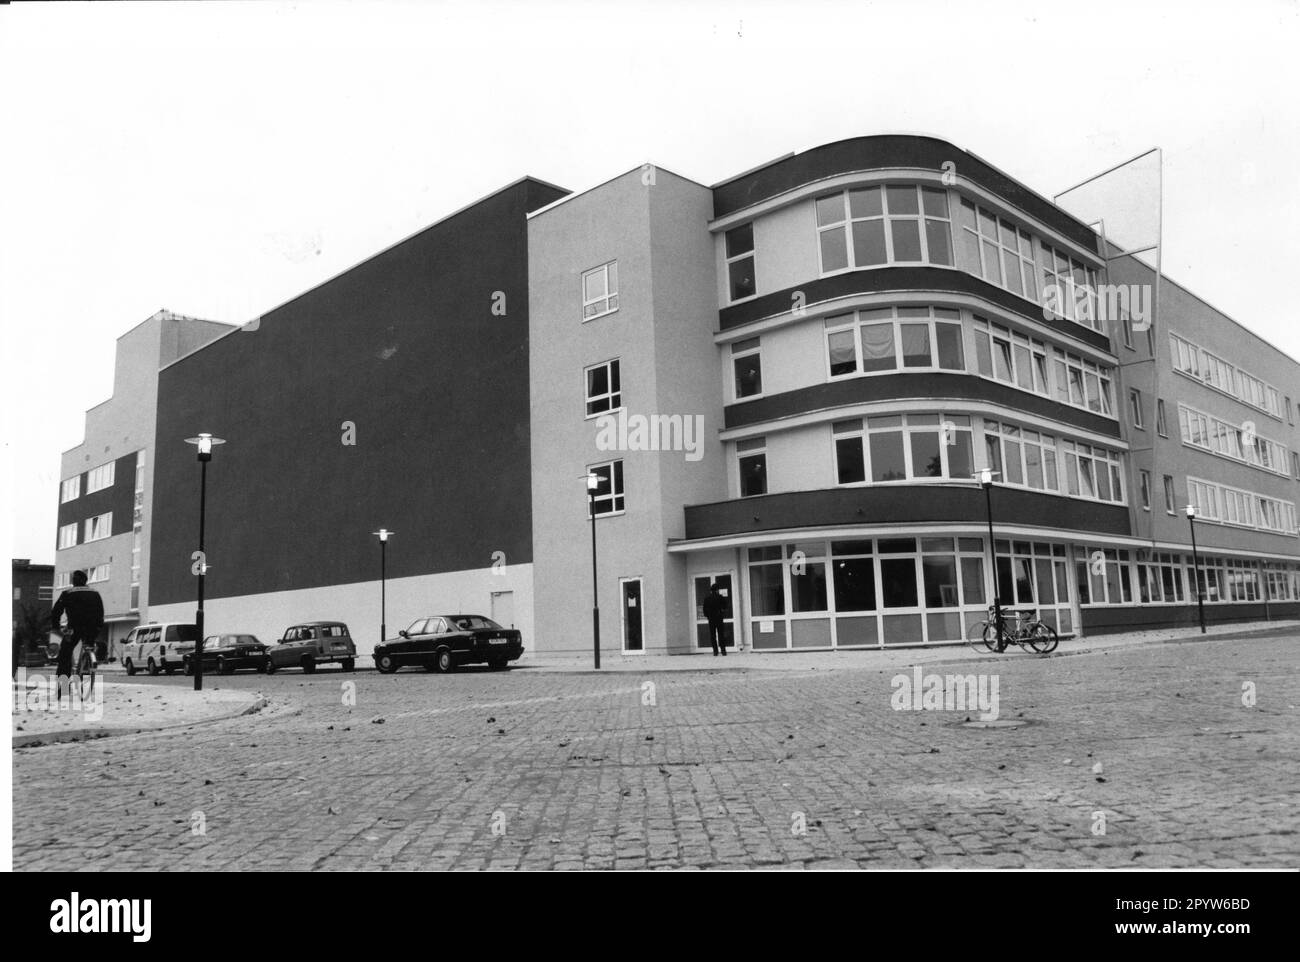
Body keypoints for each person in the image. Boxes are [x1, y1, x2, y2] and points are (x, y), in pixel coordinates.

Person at [50, 570, 104, 697]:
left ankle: (63, 688)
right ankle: (88, 660)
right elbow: (100, 613)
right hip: (91, 628)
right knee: (89, 645)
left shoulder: (67, 593)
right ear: (85, 581)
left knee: (65, 654)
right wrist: (98, 628)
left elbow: (56, 611)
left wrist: (56, 627)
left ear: (73, 581)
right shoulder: (95, 593)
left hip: (74, 628)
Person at [702, 582, 729, 657]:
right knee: (721, 634)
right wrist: (722, 612)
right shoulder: (720, 597)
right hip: (719, 618)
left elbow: (704, 609)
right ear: (717, 590)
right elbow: (725, 607)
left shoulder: (707, 598)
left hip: (711, 619)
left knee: (712, 635)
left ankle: (715, 651)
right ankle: (723, 651)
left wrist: (708, 616)